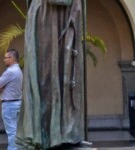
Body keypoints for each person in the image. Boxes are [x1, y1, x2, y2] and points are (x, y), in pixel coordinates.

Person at [16, 0, 89, 149]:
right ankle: (48, 135)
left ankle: (67, 133)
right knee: (47, 74)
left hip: (67, 14)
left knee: (68, 73)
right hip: (48, 15)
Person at [0, 48, 23, 150]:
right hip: (17, 103)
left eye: (6, 58)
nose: (4, 60)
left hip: (9, 104)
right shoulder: (18, 70)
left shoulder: (10, 71)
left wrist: (1, 87)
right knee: (15, 130)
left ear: (11, 58)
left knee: (11, 131)